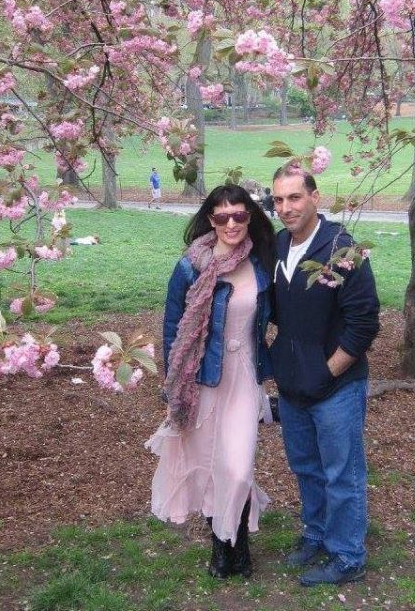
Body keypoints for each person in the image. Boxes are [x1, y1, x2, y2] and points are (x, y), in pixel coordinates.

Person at [145, 184, 275, 579]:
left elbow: (284, 313)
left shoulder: (262, 260)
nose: (231, 223)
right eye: (222, 217)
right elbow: (174, 327)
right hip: (201, 379)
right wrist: (174, 384)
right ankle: (223, 548)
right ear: (210, 220)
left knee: (237, 467)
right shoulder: (191, 266)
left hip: (245, 377)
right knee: (207, 465)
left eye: (239, 215)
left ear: (249, 217)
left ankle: (238, 539)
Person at [270, 164, 380, 587]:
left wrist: (327, 372)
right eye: (278, 200)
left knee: (342, 472)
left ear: (315, 197)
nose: (286, 208)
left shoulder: (342, 251)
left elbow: (364, 323)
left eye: (294, 197)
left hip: (336, 388)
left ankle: (348, 555)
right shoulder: (278, 245)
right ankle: (315, 535)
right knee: (306, 468)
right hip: (295, 385)